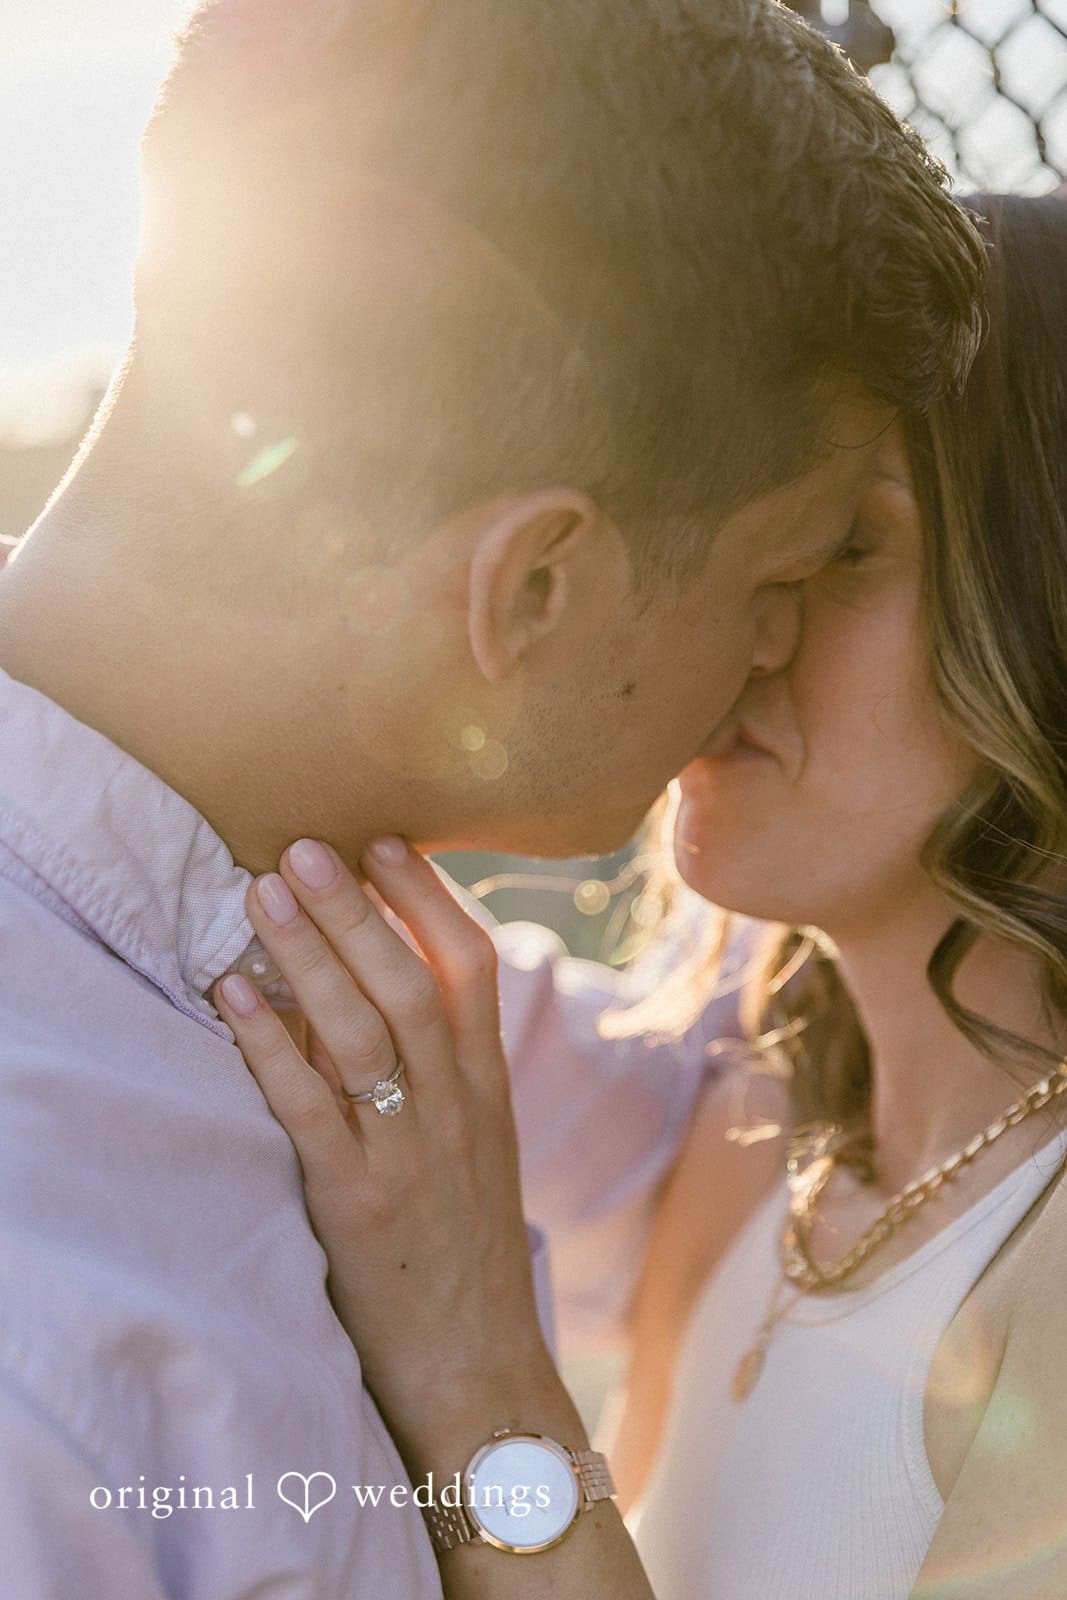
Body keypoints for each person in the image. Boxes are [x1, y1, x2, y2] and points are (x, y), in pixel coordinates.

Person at [0, 2, 984, 1596]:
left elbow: (765, 1122)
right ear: (535, 587)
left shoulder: (333, 978)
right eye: (787, 570)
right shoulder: (50, 1343)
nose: (776, 650)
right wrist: (478, 1385)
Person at [220, 193, 1067, 1600]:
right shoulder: (755, 1129)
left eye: (842, 546)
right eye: (742, 541)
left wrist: (474, 1356)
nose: (748, 628)